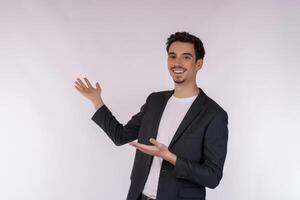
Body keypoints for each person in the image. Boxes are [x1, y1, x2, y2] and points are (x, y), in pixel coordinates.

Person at [74, 32, 228, 200]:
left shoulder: (214, 115)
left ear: (199, 64)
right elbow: (120, 136)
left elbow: (212, 177)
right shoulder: (155, 101)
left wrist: (170, 157)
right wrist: (97, 101)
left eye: (186, 57)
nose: (177, 63)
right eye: (172, 56)